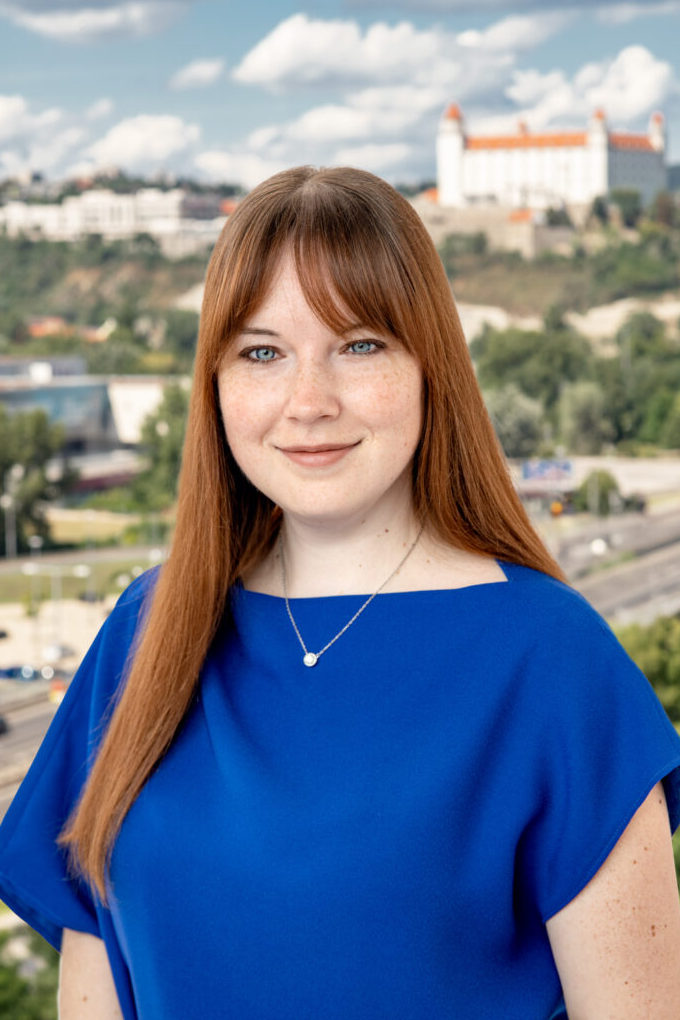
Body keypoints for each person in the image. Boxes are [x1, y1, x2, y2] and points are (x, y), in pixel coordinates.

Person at [0, 166, 679, 1020]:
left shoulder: (553, 660)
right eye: (261, 353)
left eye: (359, 345)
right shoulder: (146, 631)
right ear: (214, 382)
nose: (309, 402)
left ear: (430, 363)